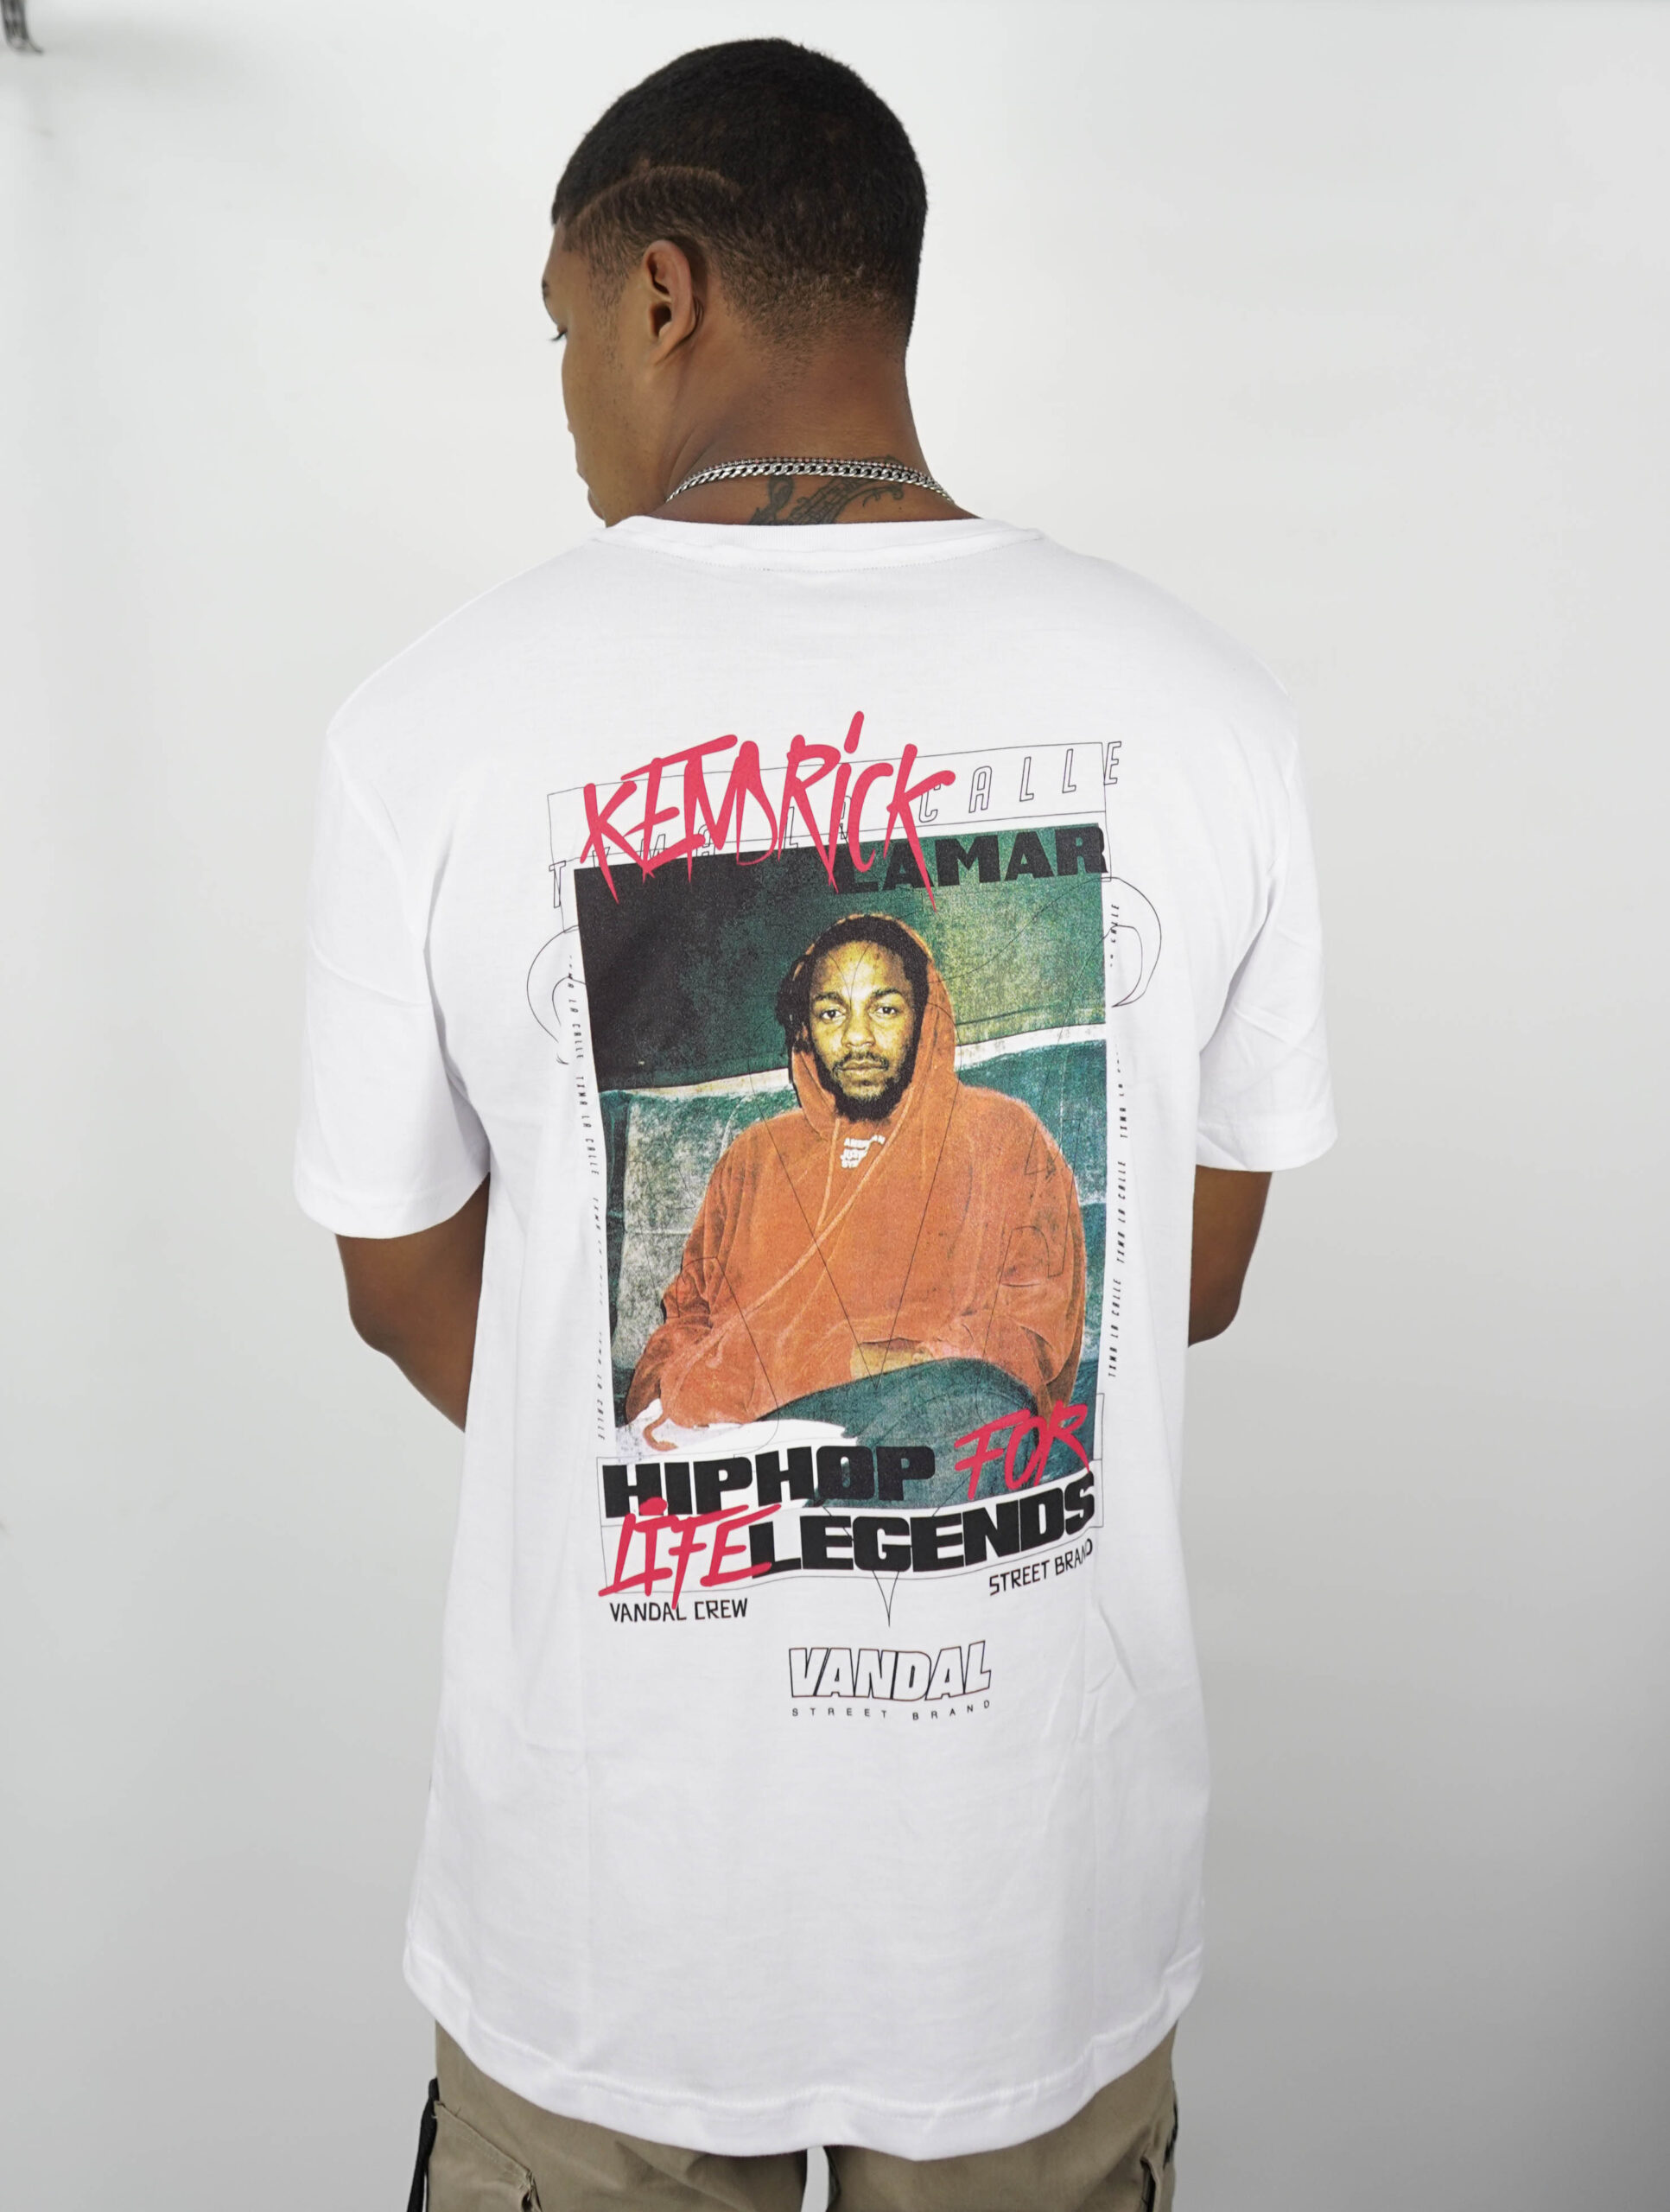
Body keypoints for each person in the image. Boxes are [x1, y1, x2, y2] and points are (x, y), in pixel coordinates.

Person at [296, 37, 1334, 2212]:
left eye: (566, 333)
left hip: (726, 1903)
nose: (569, 395)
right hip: (835, 1907)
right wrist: (795, 1387)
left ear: (661, 292)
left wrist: (726, 1420)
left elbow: (408, 1284)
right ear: (792, 1029)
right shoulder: (1216, 712)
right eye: (828, 1002)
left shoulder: (427, 726)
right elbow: (1199, 1269)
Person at [625, 913, 1087, 1446]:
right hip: (735, 1431)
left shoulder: (1003, 1133)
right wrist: (676, 1392)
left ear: (924, 1017)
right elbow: (686, 1315)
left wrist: (909, 1364)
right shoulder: (754, 1155)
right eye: (831, 1013)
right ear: (806, 1030)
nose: (857, 1037)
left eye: (885, 1009)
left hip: (918, 1419)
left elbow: (1033, 1324)